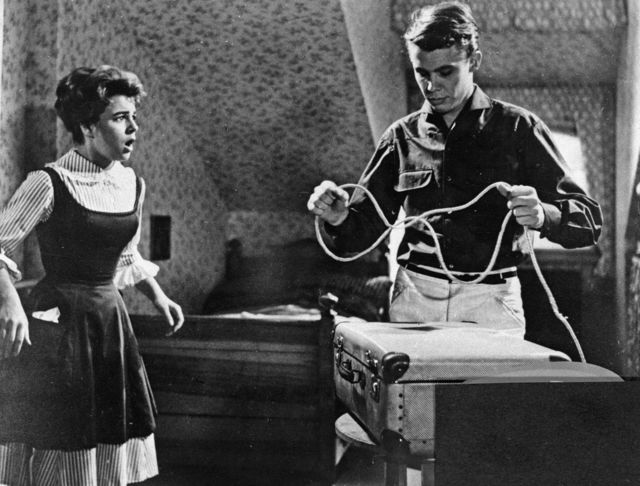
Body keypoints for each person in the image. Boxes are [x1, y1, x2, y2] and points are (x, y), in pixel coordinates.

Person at [307, 1, 602, 337]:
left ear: (474, 60)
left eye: (445, 72)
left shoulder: (519, 128)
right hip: (415, 297)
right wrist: (339, 218)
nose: (432, 87)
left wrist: (542, 215)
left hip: (490, 302)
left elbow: (589, 222)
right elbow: (363, 234)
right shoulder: (400, 137)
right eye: (422, 73)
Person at [0, 65, 184, 485]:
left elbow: (125, 255)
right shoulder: (48, 182)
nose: (133, 128)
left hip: (109, 324)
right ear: (86, 126)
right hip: (62, 327)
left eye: (134, 117)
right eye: (120, 118)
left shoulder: (131, 183)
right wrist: (9, 301)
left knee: (107, 438)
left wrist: (158, 296)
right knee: (63, 437)